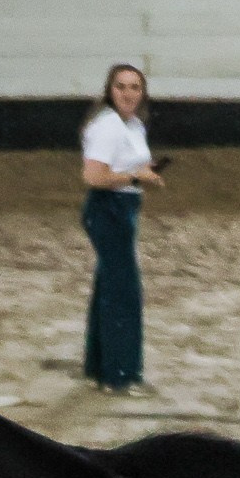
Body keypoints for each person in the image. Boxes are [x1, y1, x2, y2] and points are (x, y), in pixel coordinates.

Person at [79, 63, 162, 395]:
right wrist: (134, 178)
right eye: (121, 87)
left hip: (123, 208)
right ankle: (121, 374)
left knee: (109, 286)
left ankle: (99, 367)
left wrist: (146, 175)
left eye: (134, 87)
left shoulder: (134, 126)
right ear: (109, 91)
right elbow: (93, 177)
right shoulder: (108, 127)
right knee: (123, 291)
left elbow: (128, 167)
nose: (128, 93)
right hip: (108, 209)